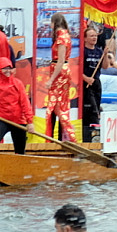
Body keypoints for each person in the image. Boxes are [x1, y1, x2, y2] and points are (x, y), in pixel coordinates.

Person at [44, 13, 76, 141]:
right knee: (58, 105)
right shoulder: (64, 36)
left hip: (60, 74)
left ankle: (66, 136)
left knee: (58, 105)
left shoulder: (62, 38)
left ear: (54, 23)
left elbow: (61, 60)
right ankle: (58, 137)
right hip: (60, 71)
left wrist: (51, 79)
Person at [81, 26, 104, 143]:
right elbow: (76, 69)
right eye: (91, 36)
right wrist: (86, 79)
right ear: (85, 38)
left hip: (96, 82)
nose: (94, 38)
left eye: (95, 36)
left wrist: (106, 54)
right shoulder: (82, 51)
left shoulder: (99, 51)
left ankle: (94, 137)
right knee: (91, 111)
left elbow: (105, 66)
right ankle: (89, 138)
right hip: (85, 83)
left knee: (97, 109)